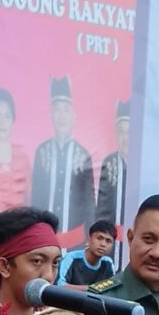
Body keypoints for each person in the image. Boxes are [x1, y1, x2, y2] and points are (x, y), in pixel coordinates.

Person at [28, 77, 96, 231]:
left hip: (74, 238)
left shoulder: (83, 154)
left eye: (66, 110)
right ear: (51, 115)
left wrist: (90, 235)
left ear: (74, 116)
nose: (61, 116)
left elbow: (89, 202)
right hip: (45, 235)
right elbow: (36, 197)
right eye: (57, 109)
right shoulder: (42, 151)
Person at [0, 87, 30, 216]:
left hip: (19, 228)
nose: (2, 122)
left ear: (13, 120)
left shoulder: (23, 159)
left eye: (7, 116)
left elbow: (30, 201)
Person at [93, 101, 130, 229]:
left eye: (129, 132)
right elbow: (102, 208)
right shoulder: (108, 162)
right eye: (121, 132)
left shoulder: (141, 167)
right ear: (115, 134)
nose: (125, 138)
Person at [59, 219, 116, 288]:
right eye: (99, 238)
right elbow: (60, 285)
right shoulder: (72, 258)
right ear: (89, 239)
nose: (103, 244)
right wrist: (90, 289)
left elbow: (113, 289)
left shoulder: (108, 263)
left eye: (108, 241)